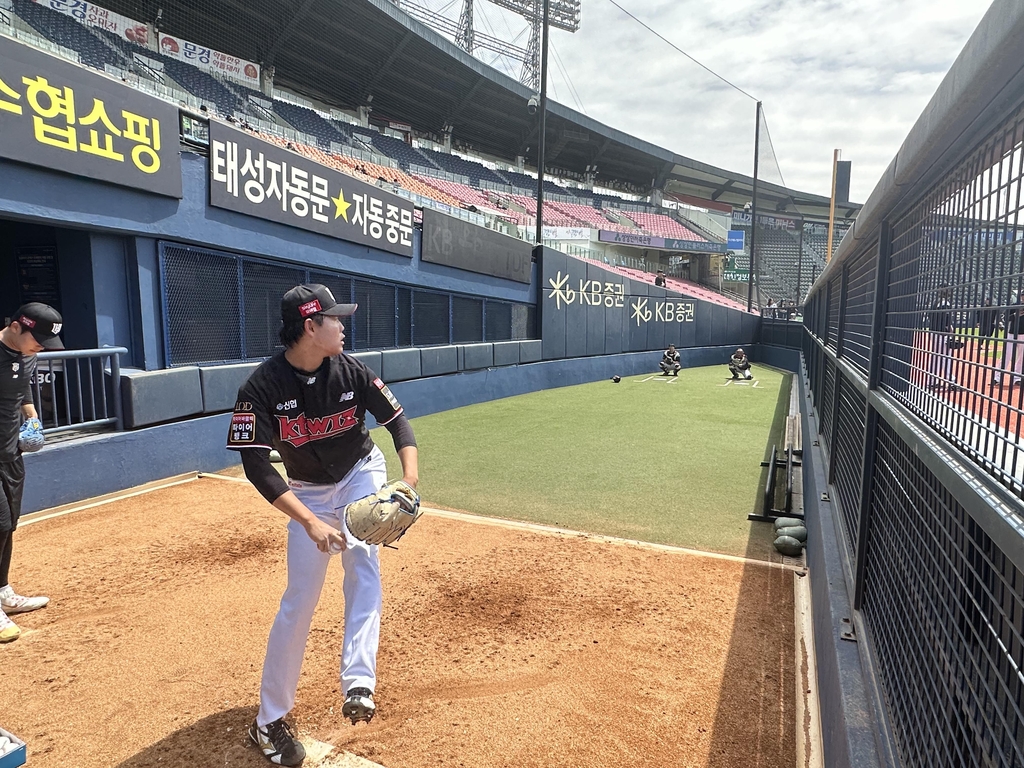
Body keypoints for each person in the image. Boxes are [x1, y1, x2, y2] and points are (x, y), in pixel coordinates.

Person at [228, 284, 419, 766]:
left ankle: (359, 681)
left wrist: (408, 481)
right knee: (300, 599)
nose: (343, 325)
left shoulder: (351, 369)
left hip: (359, 471)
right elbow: (257, 465)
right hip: (308, 491)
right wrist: (310, 522)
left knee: (363, 563)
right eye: (335, 319)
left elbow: (397, 423)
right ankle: (269, 720)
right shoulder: (261, 388)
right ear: (310, 327)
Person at [0, 303, 63, 643]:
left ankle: (4, 592)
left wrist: (32, 418)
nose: (40, 347)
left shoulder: (27, 356)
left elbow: (23, 387)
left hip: (11, 452)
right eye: (36, 339)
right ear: (14, 327)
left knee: (9, 525)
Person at [927, 286, 957, 390]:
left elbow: (929, 316)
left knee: (936, 357)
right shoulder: (945, 303)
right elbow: (946, 319)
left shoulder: (936, 302)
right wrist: (950, 330)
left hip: (933, 331)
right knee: (945, 357)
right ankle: (951, 380)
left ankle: (931, 381)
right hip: (941, 333)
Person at [994, 291, 1024, 387]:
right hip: (1012, 333)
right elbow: (1005, 318)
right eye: (1023, 296)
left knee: (1021, 357)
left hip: (1023, 334)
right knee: (1006, 355)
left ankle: (1017, 378)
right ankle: (997, 377)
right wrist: (1015, 315)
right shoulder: (1015, 305)